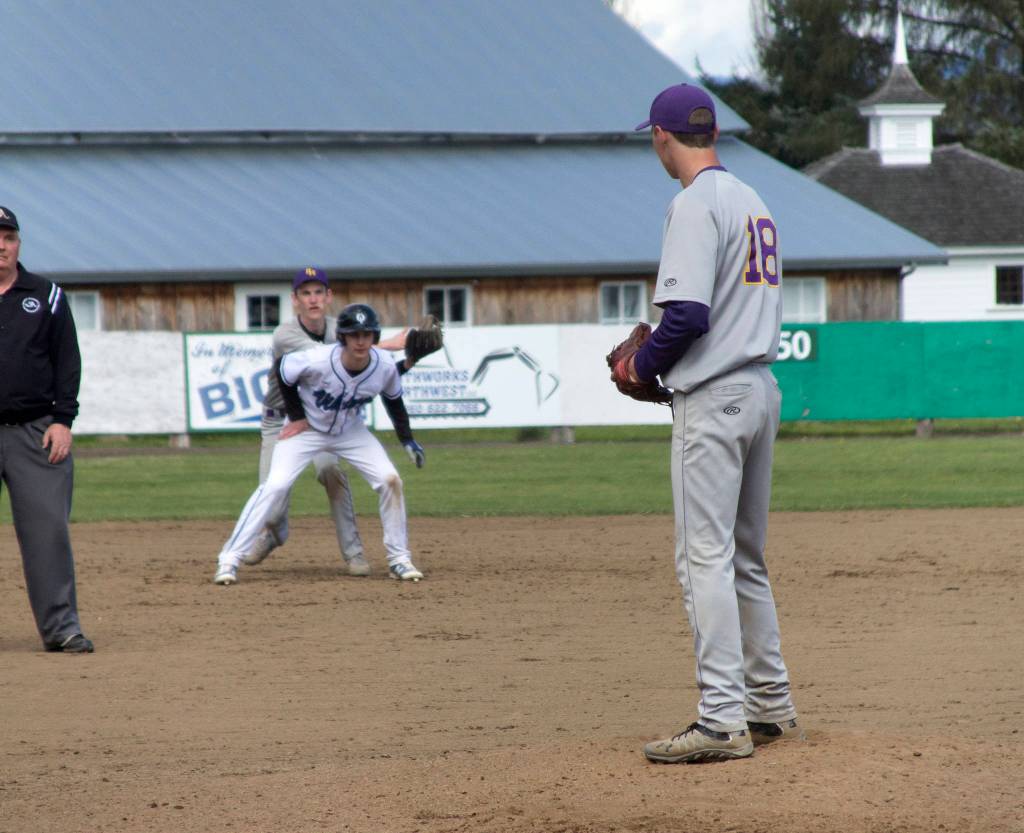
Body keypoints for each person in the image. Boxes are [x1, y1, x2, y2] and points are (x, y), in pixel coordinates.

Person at [630, 86, 800, 762]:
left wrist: (644, 364)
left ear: (662, 137)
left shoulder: (694, 203)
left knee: (703, 557)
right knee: (747, 557)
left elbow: (688, 316)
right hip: (761, 388)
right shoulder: (753, 200)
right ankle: (771, 706)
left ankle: (722, 719)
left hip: (715, 394)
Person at [214, 303, 426, 585]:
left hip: (350, 431)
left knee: (390, 479)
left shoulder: (384, 364)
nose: (361, 340)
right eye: (354, 334)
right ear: (343, 337)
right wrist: (298, 417)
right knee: (275, 486)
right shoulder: (317, 359)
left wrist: (407, 439)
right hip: (308, 430)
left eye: (367, 334)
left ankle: (399, 559)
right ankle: (229, 560)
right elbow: (283, 369)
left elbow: (393, 400)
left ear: (374, 336)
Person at [243, 266, 410, 577]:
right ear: (295, 300)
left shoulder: (341, 327)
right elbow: (326, 354)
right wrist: (389, 343)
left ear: (329, 296)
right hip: (281, 420)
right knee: (272, 495)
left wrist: (410, 358)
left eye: (318, 292)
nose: (313, 299)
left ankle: (354, 554)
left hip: (321, 421)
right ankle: (275, 533)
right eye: (305, 293)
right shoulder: (285, 334)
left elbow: (370, 363)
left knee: (330, 470)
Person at [0, 206, 94, 653]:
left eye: (9, 236)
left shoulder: (48, 296)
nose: (1, 244)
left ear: (19, 243)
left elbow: (67, 363)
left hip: (35, 430)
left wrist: (63, 420)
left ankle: (61, 628)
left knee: (47, 533)